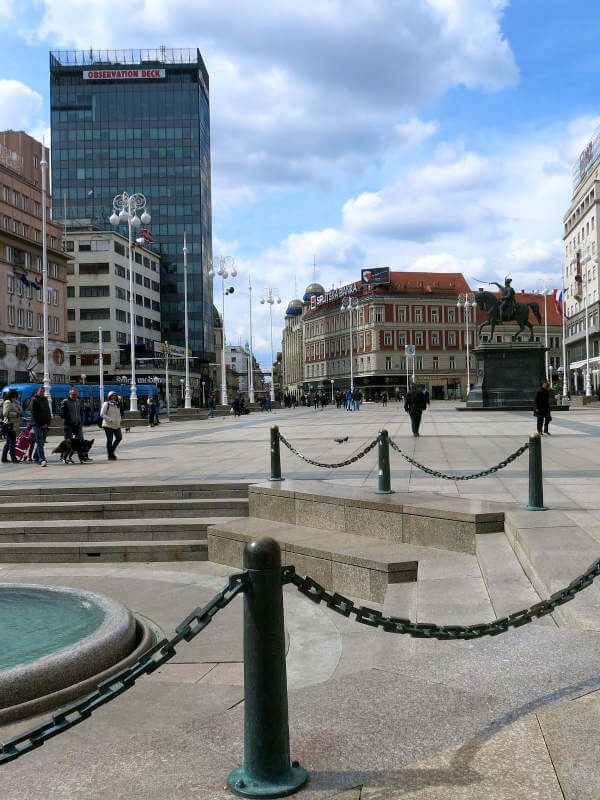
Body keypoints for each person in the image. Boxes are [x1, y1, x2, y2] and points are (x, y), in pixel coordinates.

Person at [30, 385, 51, 467]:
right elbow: (34, 414)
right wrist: (41, 424)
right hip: (37, 425)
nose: (42, 393)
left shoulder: (45, 399)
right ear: (37, 392)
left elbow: (48, 412)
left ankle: (35, 456)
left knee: (41, 443)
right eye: (40, 391)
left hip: (45, 424)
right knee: (40, 442)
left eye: (43, 391)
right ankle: (42, 459)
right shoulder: (34, 399)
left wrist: (47, 423)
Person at [100, 391, 123, 460]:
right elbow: (102, 414)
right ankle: (110, 455)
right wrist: (110, 419)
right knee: (110, 440)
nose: (114, 397)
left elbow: (120, 413)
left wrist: (119, 420)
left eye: (115, 395)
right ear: (109, 397)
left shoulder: (118, 404)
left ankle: (111, 452)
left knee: (119, 438)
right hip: (108, 424)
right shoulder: (106, 404)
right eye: (112, 396)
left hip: (116, 424)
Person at [2, 389, 23, 464]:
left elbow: (20, 411)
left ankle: (4, 458)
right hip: (9, 425)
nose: (17, 397)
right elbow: (5, 413)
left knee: (8, 443)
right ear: (13, 395)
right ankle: (13, 458)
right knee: (12, 443)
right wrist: (16, 414)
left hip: (13, 425)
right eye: (16, 395)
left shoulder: (14, 402)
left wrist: (18, 405)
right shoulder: (8, 402)